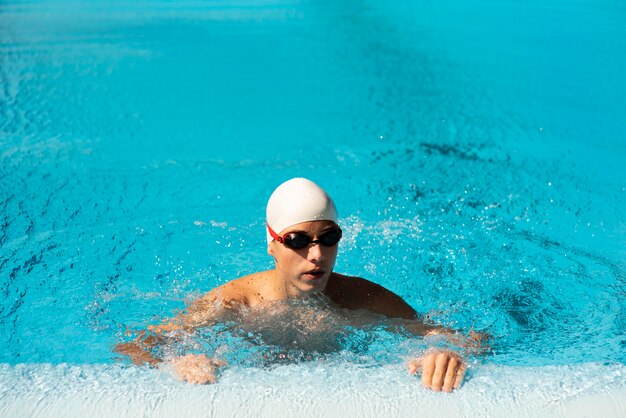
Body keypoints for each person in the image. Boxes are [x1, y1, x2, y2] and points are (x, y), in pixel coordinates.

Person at [116, 178, 485, 392]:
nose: (316, 255)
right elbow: (136, 346)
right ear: (272, 244)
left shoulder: (364, 298)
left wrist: (446, 352)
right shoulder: (234, 303)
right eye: (297, 240)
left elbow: (471, 338)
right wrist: (175, 361)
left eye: (329, 238)